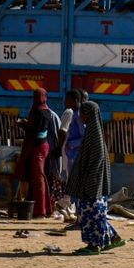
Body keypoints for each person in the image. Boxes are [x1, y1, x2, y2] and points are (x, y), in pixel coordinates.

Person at [66, 101, 124, 255]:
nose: (80, 116)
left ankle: (94, 245)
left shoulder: (94, 137)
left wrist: (89, 184)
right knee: (96, 214)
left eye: (83, 113)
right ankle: (112, 237)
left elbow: (95, 164)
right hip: (93, 184)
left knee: (92, 214)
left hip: (93, 185)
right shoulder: (92, 133)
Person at [15, 88, 54, 218]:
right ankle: (43, 208)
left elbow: (33, 130)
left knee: (38, 178)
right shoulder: (48, 111)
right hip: (44, 145)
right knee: (39, 176)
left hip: (37, 147)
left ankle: (40, 210)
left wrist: (22, 124)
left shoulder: (37, 111)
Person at [55, 89, 85, 221]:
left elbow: (82, 137)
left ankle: (72, 209)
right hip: (71, 154)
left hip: (75, 154)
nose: (65, 102)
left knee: (75, 183)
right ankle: (73, 211)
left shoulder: (77, 115)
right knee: (73, 183)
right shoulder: (77, 114)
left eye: (67, 99)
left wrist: (67, 145)